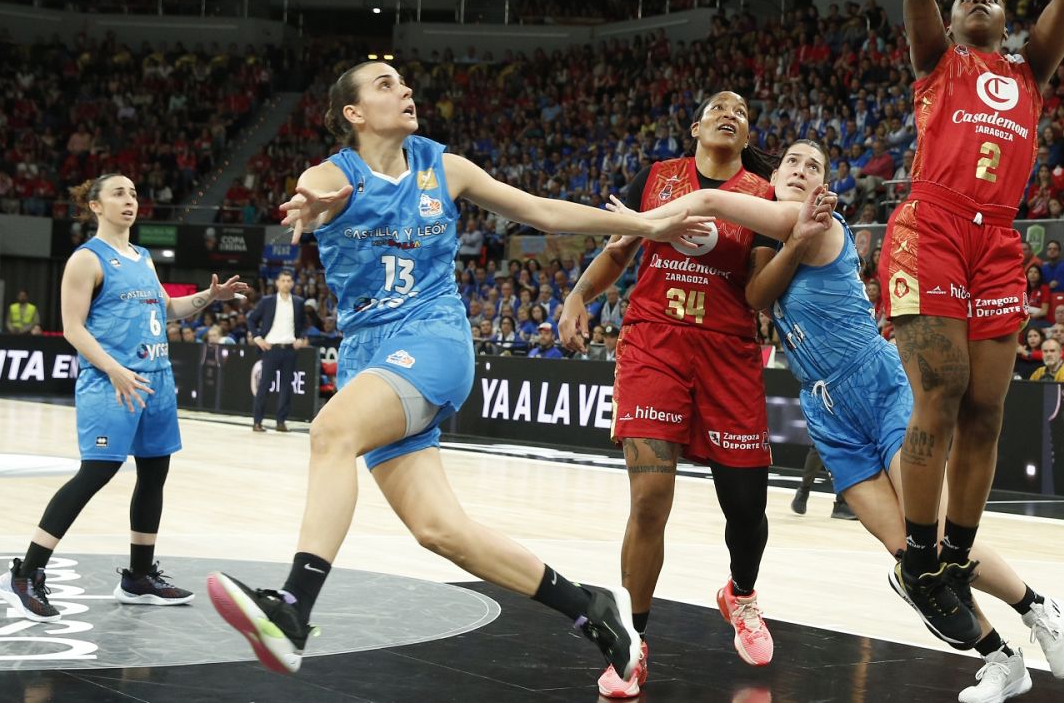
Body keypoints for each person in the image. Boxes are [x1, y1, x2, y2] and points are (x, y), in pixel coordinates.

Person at [206, 62, 708, 682]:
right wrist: (313, 208)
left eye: (404, 81)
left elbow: (543, 213)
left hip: (433, 340)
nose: (406, 90)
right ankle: (591, 608)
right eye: (386, 84)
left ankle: (291, 610)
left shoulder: (444, 167)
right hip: (370, 351)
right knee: (441, 531)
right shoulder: (332, 174)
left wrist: (646, 223)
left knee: (330, 432)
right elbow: (311, 193)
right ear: (354, 114)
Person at [633, 141, 1064, 700]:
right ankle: (1003, 661)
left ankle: (1038, 608)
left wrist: (643, 217)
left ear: (825, 186)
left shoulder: (820, 224)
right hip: (826, 412)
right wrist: (787, 242)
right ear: (774, 177)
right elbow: (753, 295)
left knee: (935, 537)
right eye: (792, 163)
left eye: (814, 166)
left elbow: (717, 206)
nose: (801, 171)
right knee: (909, 560)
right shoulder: (777, 241)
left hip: (878, 384)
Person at [879, 0, 1064, 647]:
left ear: (1007, 20)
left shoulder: (1031, 69)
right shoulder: (939, 62)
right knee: (942, 391)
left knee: (988, 413)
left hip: (996, 240)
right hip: (929, 224)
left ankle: (954, 553)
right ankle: (917, 554)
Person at [558, 90, 780, 697]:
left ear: (745, 132)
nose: (730, 113)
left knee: (746, 509)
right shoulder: (656, 179)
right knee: (651, 498)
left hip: (729, 352)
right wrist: (579, 296)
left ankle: (740, 594)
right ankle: (631, 646)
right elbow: (617, 249)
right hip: (654, 342)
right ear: (696, 127)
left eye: (740, 109)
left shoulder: (762, 194)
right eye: (717, 107)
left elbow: (761, 288)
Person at [0, 175, 252, 619]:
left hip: (156, 380)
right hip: (111, 380)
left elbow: (165, 308)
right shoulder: (86, 260)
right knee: (95, 473)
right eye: (118, 193)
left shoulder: (144, 257)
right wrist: (114, 368)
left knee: (154, 474)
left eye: (133, 193)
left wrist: (209, 296)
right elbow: (73, 328)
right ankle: (25, 573)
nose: (129, 200)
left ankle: (138, 577)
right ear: (95, 205)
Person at [249, 269, 308, 432]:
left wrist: (301, 338)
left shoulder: (298, 302)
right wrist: (257, 338)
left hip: (289, 349)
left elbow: (303, 325)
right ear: (277, 283)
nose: (286, 283)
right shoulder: (267, 301)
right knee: (264, 386)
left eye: (289, 280)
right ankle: (257, 422)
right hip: (271, 348)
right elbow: (251, 319)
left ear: (293, 283)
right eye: (283, 280)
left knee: (286, 387)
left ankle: (281, 422)